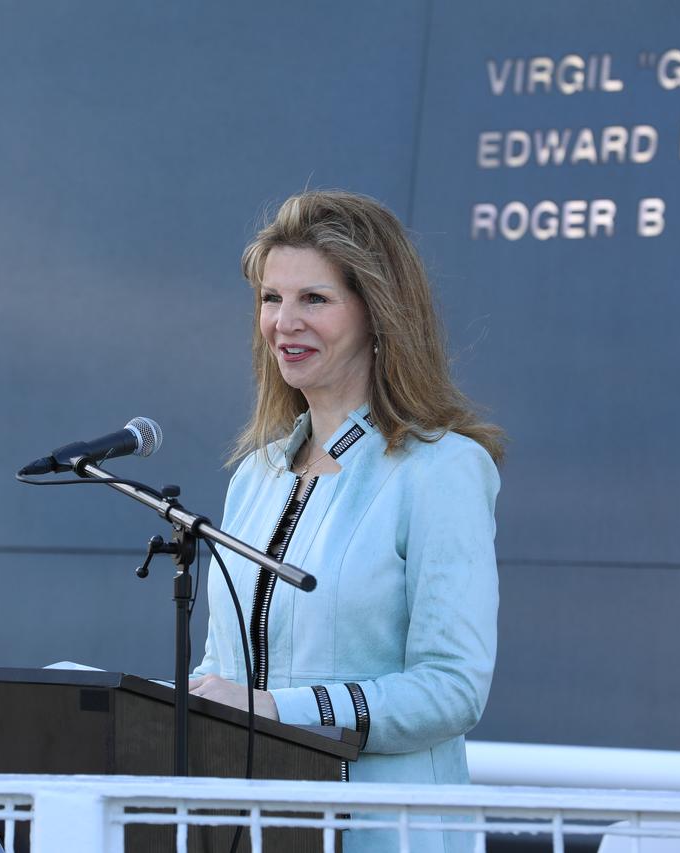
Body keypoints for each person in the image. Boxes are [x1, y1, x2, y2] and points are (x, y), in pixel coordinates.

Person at [189, 190, 504, 853]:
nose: (284, 321)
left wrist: (280, 708)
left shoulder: (442, 468)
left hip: (389, 834)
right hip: (255, 833)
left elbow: (451, 688)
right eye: (272, 299)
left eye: (315, 299)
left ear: (377, 313)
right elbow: (224, 673)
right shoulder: (255, 474)